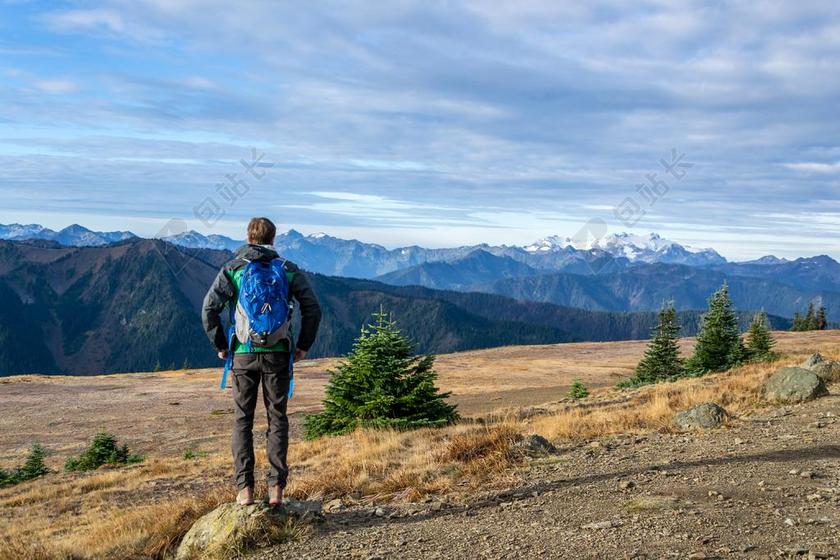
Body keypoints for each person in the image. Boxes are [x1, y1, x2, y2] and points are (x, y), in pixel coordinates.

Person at [202, 217, 321, 506]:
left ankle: (245, 491)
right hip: (278, 354)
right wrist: (303, 346)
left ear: (248, 237)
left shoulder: (233, 269)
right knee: (277, 418)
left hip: (242, 354)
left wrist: (221, 346)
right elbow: (313, 309)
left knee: (242, 420)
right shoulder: (288, 270)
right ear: (273, 239)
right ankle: (276, 489)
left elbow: (209, 310)